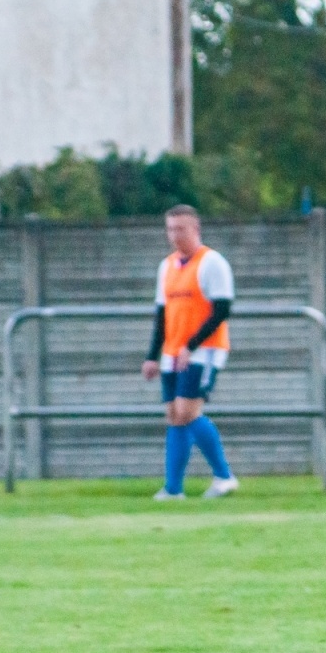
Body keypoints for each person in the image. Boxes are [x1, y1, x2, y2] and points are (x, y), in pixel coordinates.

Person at [141, 205, 239, 500]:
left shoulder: (212, 263)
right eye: (170, 229)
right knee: (174, 415)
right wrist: (152, 355)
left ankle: (224, 476)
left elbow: (221, 310)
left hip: (203, 351)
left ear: (195, 229)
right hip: (173, 351)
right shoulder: (167, 266)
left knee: (187, 411)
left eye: (180, 229)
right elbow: (162, 314)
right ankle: (173, 489)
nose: (174, 235)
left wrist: (192, 345)